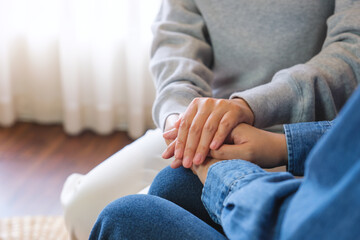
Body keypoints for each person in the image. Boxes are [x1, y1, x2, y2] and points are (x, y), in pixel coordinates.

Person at [61, 0, 360, 239]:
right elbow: (175, 39)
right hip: (207, 122)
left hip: (305, 130)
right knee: (83, 210)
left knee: (126, 215)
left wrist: (250, 107)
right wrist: (180, 120)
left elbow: (350, 51)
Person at [89, 86, 360, 240]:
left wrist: (225, 174)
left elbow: (292, 228)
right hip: (219, 124)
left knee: (124, 217)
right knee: (176, 181)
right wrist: (282, 145)